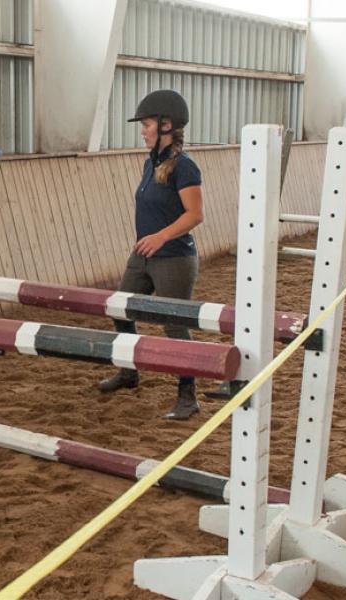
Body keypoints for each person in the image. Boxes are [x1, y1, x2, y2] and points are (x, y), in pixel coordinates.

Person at [95, 89, 205, 420]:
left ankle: (188, 395)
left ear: (166, 124)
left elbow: (194, 214)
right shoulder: (151, 163)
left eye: (146, 125)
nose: (142, 131)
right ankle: (129, 372)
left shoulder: (185, 167)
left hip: (173, 257)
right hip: (143, 255)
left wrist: (160, 236)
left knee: (174, 325)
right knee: (120, 307)